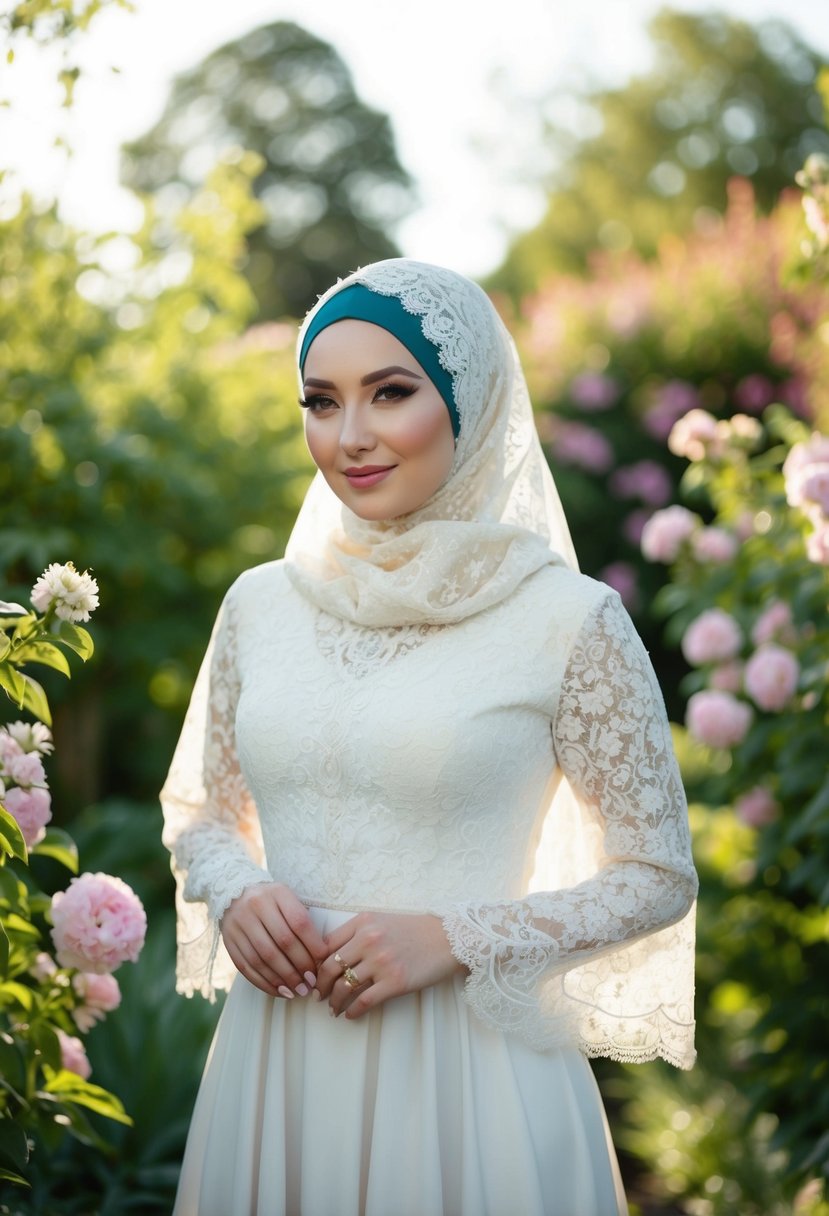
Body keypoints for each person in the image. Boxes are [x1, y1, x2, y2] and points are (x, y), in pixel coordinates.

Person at [161, 258, 698, 1216]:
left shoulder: (568, 620)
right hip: (276, 1066)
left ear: (470, 401)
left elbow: (655, 873)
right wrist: (238, 893)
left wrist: (455, 936)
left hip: (470, 1085)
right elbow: (204, 812)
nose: (351, 437)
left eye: (391, 392)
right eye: (320, 402)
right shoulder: (259, 605)